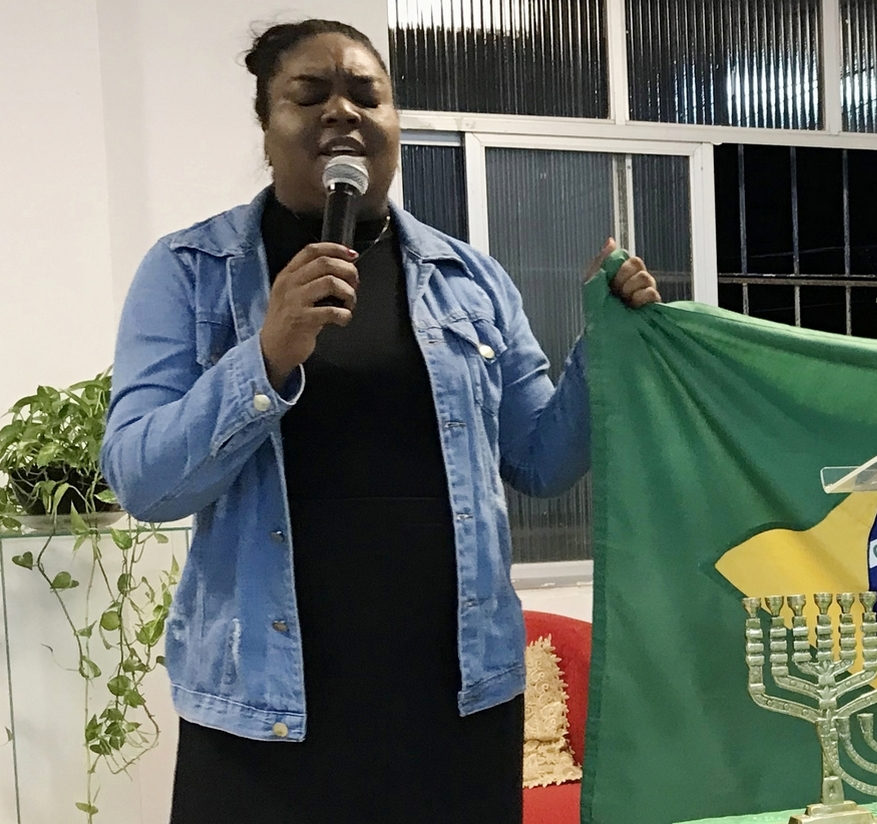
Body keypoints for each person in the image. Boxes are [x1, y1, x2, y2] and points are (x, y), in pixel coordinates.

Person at [100, 20, 658, 822]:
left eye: (368, 95)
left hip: (453, 703)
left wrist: (604, 349)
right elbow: (143, 481)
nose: (343, 113)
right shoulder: (190, 272)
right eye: (310, 95)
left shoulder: (471, 280)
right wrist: (267, 354)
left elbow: (539, 460)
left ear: (395, 125)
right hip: (266, 713)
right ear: (266, 126)